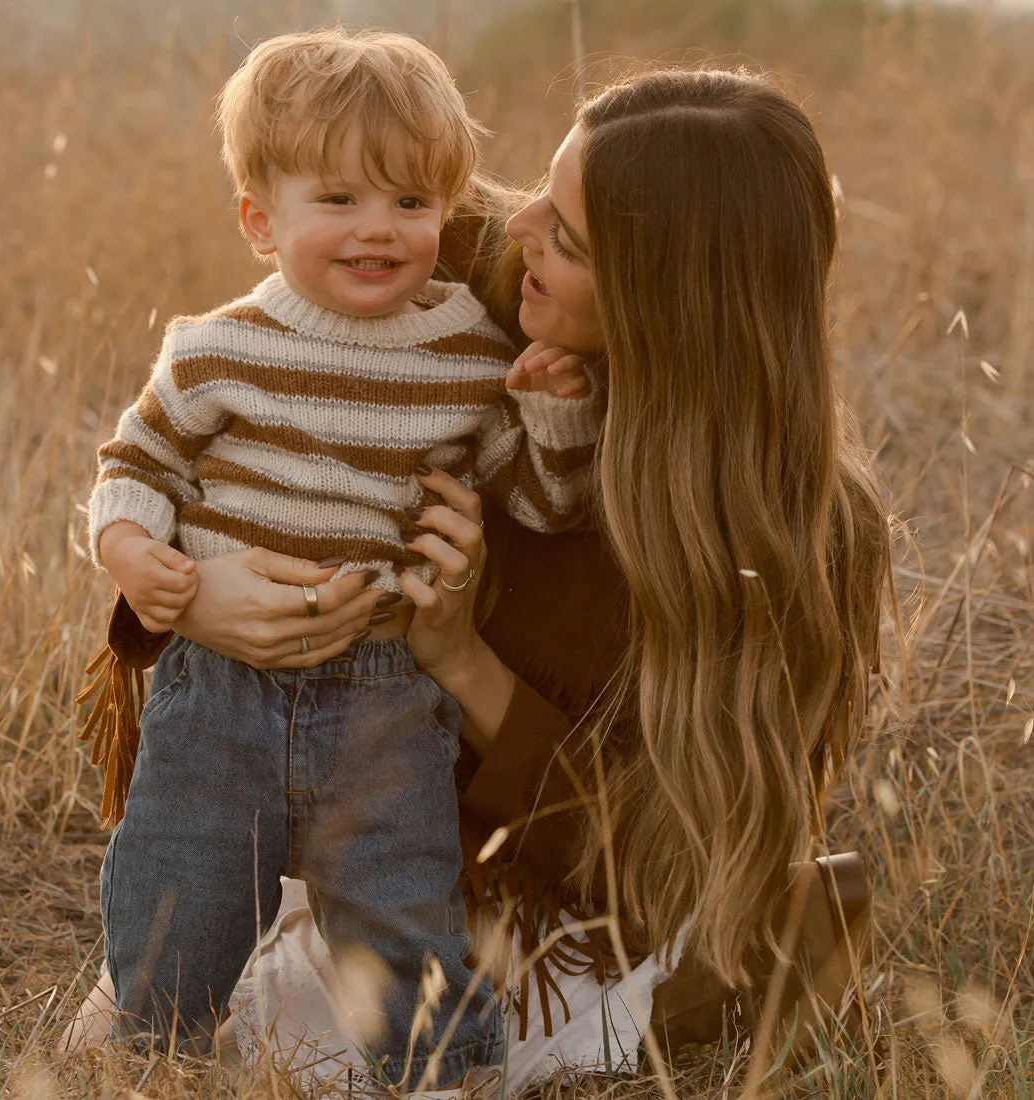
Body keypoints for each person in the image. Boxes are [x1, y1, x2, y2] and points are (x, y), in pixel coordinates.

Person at [66, 67, 891, 1088]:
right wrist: (208, 592)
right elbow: (236, 437)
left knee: (487, 1002)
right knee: (189, 990)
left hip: (507, 883)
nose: (518, 228)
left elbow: (654, 851)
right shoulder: (435, 267)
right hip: (324, 796)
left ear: (661, 299)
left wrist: (455, 654)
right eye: (545, 188)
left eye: (570, 238)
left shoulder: (796, 534)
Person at [82, 27, 602, 1090]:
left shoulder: (466, 354)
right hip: (219, 690)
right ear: (258, 221)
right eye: (339, 201)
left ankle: (440, 1070)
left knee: (400, 895)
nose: (379, 229)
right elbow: (134, 461)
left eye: (410, 203)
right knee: (178, 882)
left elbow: (533, 503)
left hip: (382, 694)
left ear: (446, 209)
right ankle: (145, 1049)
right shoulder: (215, 348)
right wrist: (134, 550)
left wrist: (551, 418)